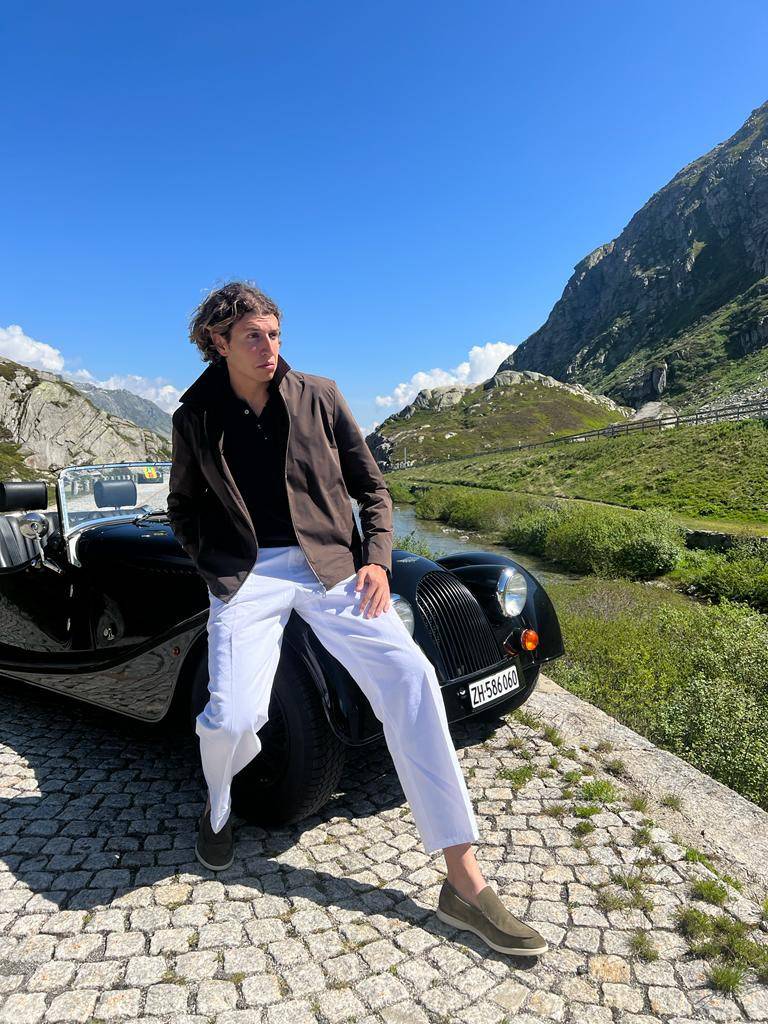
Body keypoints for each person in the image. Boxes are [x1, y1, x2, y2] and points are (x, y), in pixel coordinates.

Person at [167, 280, 548, 957]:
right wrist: (215, 567)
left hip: (333, 569)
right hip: (246, 576)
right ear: (219, 342)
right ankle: (218, 806)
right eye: (254, 336)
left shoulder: (320, 394)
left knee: (412, 678)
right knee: (231, 718)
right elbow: (184, 506)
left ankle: (464, 881)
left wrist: (375, 559)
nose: (269, 347)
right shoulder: (194, 414)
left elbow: (371, 486)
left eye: (276, 334)